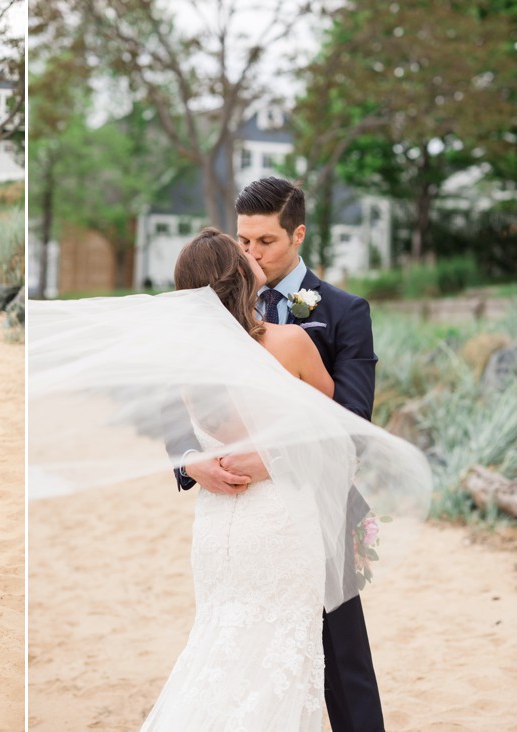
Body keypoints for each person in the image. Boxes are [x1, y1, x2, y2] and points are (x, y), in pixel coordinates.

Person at [170, 178, 384, 732]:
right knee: (236, 646)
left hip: (315, 507)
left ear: (298, 234)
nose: (250, 254)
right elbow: (171, 412)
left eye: (264, 241)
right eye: (243, 241)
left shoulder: (341, 311)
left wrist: (276, 459)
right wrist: (188, 461)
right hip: (230, 518)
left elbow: (354, 420)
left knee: (343, 659)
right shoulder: (199, 323)